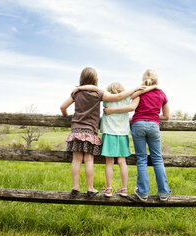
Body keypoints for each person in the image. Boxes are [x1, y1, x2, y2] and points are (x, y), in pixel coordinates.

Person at [60, 67, 143, 198]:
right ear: (95, 80)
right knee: (88, 160)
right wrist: (136, 88)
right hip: (90, 131)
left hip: (76, 130)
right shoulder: (98, 94)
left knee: (76, 160)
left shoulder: (75, 93)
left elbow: (63, 106)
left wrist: (65, 116)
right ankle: (90, 188)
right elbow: (120, 96)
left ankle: (75, 187)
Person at [74, 82, 158, 197]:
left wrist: (80, 88)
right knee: (122, 162)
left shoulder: (107, 98)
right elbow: (141, 91)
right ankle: (124, 188)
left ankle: (108, 189)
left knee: (109, 163)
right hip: (122, 134)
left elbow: (94, 88)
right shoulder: (127, 98)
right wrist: (153, 86)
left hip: (109, 134)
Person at [104, 69, 171, 201]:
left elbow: (130, 106)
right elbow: (167, 116)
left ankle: (143, 192)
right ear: (156, 80)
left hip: (138, 124)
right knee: (157, 158)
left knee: (141, 159)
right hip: (153, 125)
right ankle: (163, 192)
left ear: (143, 79)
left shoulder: (138, 92)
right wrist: (153, 115)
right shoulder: (161, 94)